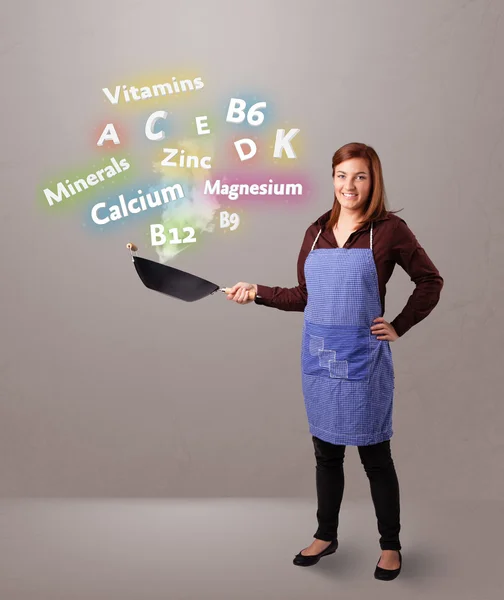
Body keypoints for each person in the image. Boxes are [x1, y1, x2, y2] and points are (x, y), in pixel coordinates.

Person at [226, 142, 444, 581]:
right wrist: (258, 291)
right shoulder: (316, 231)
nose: (350, 185)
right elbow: (303, 297)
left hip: (363, 362)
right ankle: (327, 535)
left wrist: (398, 325)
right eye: (342, 176)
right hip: (320, 361)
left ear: (373, 181)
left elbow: (429, 281)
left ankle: (390, 545)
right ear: (332, 179)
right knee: (326, 454)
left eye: (360, 176)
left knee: (374, 456)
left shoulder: (389, 230)